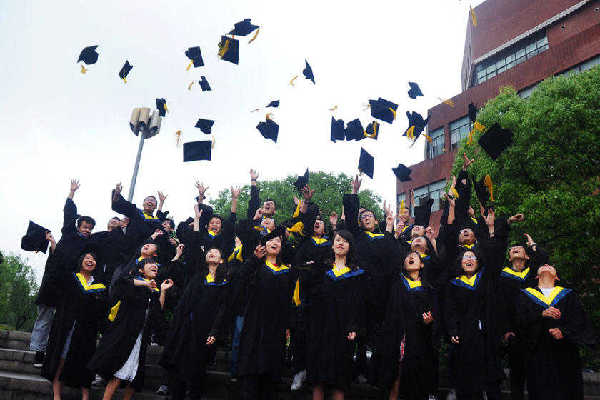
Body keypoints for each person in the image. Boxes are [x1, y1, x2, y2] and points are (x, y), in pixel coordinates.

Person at [443, 209, 508, 400]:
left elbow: (495, 254)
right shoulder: (454, 284)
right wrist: (453, 330)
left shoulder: (487, 278)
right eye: (466, 257)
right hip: (465, 335)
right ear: (460, 262)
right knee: (467, 379)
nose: (469, 259)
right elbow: (450, 311)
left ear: (479, 262)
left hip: (487, 335)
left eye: (473, 257)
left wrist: (490, 228)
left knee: (491, 380)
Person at [32, 179, 96, 367]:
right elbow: (68, 213)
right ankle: (38, 351)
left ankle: (53, 353)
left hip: (69, 287)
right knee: (44, 318)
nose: (87, 230)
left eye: (90, 228)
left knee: (61, 322)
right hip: (52, 281)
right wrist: (72, 193)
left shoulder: (89, 245)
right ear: (78, 226)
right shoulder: (69, 233)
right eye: (84, 226)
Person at [88, 259, 173, 400]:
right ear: (140, 270)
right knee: (118, 374)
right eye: (150, 263)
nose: (155, 266)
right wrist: (145, 283)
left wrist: (162, 291)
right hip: (125, 336)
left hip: (141, 339)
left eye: (156, 265)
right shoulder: (132, 284)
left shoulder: (153, 290)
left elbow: (157, 312)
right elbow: (121, 282)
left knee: (135, 377)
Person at [160, 247, 230, 399]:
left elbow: (222, 310)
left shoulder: (224, 282)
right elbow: (185, 301)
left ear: (221, 260)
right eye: (209, 252)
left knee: (197, 369)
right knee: (179, 367)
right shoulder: (198, 277)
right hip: (187, 328)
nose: (211, 253)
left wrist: (214, 331)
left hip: (205, 331)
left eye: (216, 252)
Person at [304, 230, 366, 400]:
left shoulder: (357, 274)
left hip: (343, 328)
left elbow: (358, 304)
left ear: (350, 247)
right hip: (320, 328)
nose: (340, 243)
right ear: (332, 245)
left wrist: (354, 326)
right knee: (318, 376)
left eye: (345, 241)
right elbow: (311, 297)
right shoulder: (321, 270)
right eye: (338, 240)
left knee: (340, 377)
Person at [517, 264, 595, 400]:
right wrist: (540, 314)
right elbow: (519, 320)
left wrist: (564, 331)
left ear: (557, 277)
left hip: (565, 352)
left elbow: (580, 321)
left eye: (550, 266)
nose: (546, 265)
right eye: (543, 266)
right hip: (538, 352)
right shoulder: (524, 295)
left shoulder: (569, 295)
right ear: (536, 276)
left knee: (566, 390)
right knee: (540, 390)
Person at [237, 228, 296, 400]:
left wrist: (288, 325)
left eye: (278, 240)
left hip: (276, 327)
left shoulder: (287, 272)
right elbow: (239, 284)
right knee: (251, 373)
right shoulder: (256, 267)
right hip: (255, 325)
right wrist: (254, 259)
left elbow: (289, 301)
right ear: (264, 245)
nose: (275, 242)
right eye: (271, 240)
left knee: (270, 374)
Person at [42, 251, 108, 400]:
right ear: (81, 261)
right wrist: (54, 250)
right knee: (62, 358)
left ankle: (85, 396)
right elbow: (54, 280)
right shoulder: (70, 279)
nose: (90, 261)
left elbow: (101, 310)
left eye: (93, 259)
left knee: (85, 361)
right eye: (87, 258)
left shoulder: (99, 286)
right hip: (68, 326)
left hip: (87, 331)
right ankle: (57, 395)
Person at [378, 251, 437, 400]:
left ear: (422, 264)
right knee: (395, 377)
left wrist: (429, 320)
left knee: (416, 379)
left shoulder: (428, 289)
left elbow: (434, 315)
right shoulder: (396, 283)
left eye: (415, 257)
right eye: (408, 256)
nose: (410, 257)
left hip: (418, 338)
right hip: (398, 336)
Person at [498, 234, 548, 400]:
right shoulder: (502, 276)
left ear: (527, 256)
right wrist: (505, 329)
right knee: (517, 376)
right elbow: (501, 306)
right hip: (514, 332)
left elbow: (543, 259)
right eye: (512, 249)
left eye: (519, 248)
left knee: (537, 375)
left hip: (536, 329)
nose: (515, 249)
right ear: (509, 257)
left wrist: (532, 245)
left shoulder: (533, 273)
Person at [110, 183, 164, 256]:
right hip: (127, 252)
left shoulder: (157, 223)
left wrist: (161, 203)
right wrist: (117, 194)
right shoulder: (135, 212)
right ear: (143, 203)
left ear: (155, 207)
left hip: (144, 255)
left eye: (153, 201)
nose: (150, 201)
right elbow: (121, 205)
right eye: (148, 200)